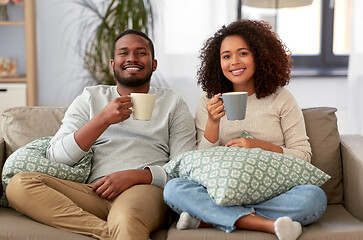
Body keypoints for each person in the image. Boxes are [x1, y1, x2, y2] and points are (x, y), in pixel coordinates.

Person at [6, 29, 197, 240]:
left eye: (141, 53)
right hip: (93, 191)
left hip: (145, 190)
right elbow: (57, 157)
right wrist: (102, 119)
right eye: (124, 53)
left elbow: (184, 168)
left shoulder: (173, 103)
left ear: (154, 64)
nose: (132, 58)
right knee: (19, 185)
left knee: (127, 217)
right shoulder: (90, 97)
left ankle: (120, 228)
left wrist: (137, 175)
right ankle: (109, 234)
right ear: (113, 64)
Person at [163, 19, 327, 240]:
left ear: (259, 56)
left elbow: (303, 156)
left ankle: (208, 218)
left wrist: (260, 147)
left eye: (243, 53)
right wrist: (213, 122)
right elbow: (199, 162)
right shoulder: (208, 100)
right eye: (226, 56)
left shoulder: (282, 99)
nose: (234, 62)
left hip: (273, 192)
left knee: (314, 197)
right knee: (174, 189)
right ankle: (268, 225)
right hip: (221, 191)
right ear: (217, 62)